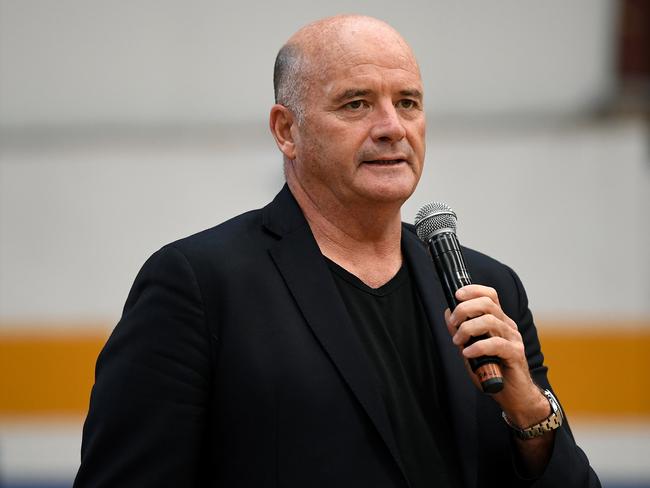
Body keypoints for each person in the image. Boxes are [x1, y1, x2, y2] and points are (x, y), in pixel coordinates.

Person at [74, 15, 600, 488]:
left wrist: (530, 415)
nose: (392, 127)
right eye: (357, 104)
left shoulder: (489, 288)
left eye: (408, 103)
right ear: (287, 131)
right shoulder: (200, 285)